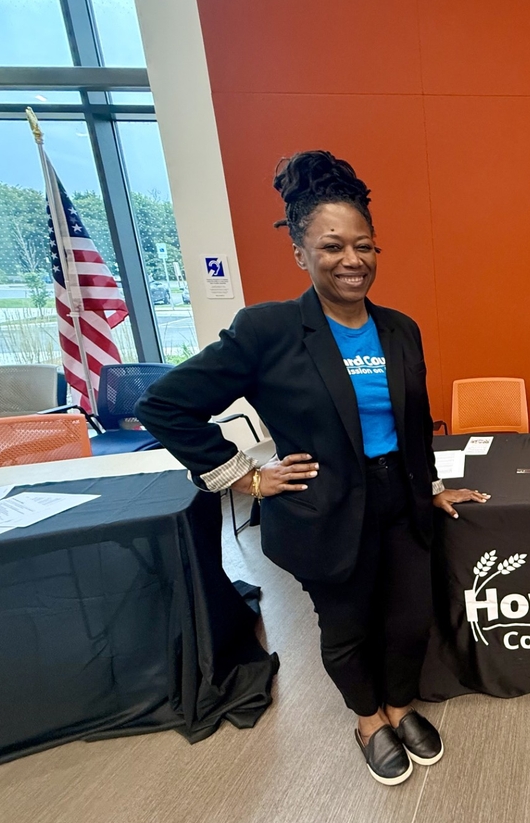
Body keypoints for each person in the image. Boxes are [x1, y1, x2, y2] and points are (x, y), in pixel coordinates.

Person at [136, 150, 489, 786]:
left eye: (365, 245)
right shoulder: (268, 330)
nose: (352, 259)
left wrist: (429, 486)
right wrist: (244, 475)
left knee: (409, 619)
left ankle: (401, 706)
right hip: (323, 508)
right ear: (301, 252)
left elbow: (409, 426)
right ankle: (369, 720)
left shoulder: (400, 330)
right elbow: (163, 405)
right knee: (348, 625)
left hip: (399, 501)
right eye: (332, 246)